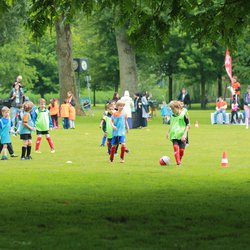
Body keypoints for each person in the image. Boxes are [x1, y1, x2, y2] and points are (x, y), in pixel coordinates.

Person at [167, 101, 190, 166]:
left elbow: (188, 125)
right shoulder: (172, 116)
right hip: (174, 135)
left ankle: (179, 159)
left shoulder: (183, 115)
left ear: (177, 108)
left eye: (173, 109)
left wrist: (185, 134)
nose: (172, 111)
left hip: (182, 136)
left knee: (182, 150)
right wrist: (168, 132)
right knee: (175, 147)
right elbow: (171, 125)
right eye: (171, 109)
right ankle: (178, 163)